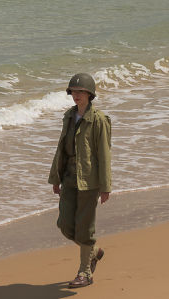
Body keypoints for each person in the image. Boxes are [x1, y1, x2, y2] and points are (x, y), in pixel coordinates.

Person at [48, 73, 112, 288]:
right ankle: (93, 252)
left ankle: (85, 273)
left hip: (89, 181)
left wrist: (105, 187)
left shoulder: (99, 120)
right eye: (74, 92)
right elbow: (61, 150)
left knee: (85, 229)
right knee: (65, 225)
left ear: (89, 94)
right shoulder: (68, 116)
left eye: (81, 92)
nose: (76, 95)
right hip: (68, 177)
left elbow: (104, 154)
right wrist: (55, 178)